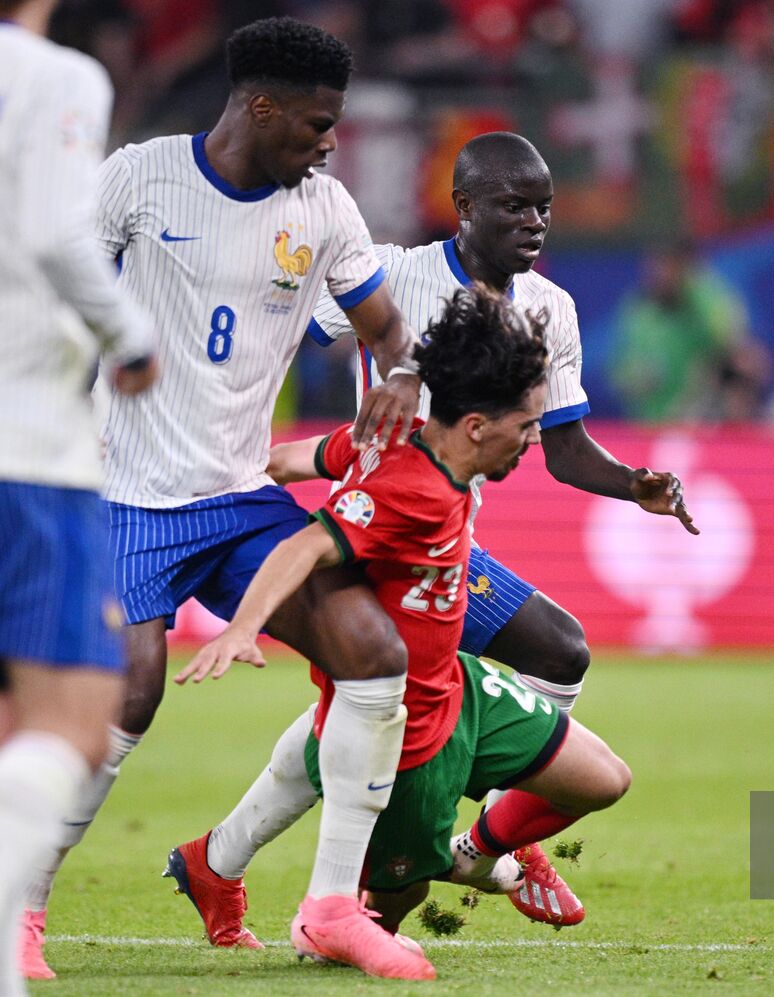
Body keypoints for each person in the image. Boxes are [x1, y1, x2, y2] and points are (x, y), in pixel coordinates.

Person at [164, 129, 692, 948]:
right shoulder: (393, 275)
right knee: (392, 699)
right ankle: (365, 891)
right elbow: (282, 328)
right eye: (515, 206)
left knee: (541, 657)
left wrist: (635, 485)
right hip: (381, 524)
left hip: (447, 528)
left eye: (545, 208)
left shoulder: (552, 309)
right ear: (466, 207)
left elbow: (563, 443)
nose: (534, 222)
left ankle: (247, 859)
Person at [21, 17, 427, 982]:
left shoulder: (325, 209)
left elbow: (386, 327)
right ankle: (20, 904)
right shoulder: (138, 176)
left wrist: (404, 370)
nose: (330, 143)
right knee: (128, 687)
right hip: (122, 494)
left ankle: (329, 906)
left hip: (241, 498)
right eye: (317, 123)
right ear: (260, 106)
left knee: (375, 654)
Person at [176, 288, 630, 975]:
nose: (534, 441)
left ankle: (474, 854)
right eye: (526, 427)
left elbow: (293, 460)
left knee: (603, 778)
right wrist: (244, 624)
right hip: (405, 736)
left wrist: (248, 464)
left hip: (461, 687)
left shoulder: (408, 448)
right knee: (393, 903)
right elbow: (306, 547)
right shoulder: (403, 487)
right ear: (477, 425)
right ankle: (332, 914)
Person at [0, 1, 158, 991]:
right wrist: (129, 338)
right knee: (74, 715)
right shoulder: (54, 77)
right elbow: (59, 237)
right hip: (25, 440)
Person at [611, 239, 755, 422]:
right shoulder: (638, 314)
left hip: (696, 421)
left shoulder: (701, 309)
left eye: (669, 267)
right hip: (649, 425)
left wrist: (695, 288)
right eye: (656, 266)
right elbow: (617, 369)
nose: (661, 274)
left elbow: (726, 341)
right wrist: (636, 375)